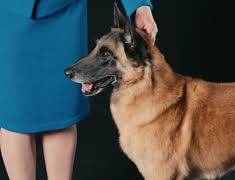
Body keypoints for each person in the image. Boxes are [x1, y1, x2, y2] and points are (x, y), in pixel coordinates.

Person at [0, 0, 158, 180]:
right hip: (10, 11)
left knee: (61, 114)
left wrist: (140, 6)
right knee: (15, 115)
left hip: (64, 12)